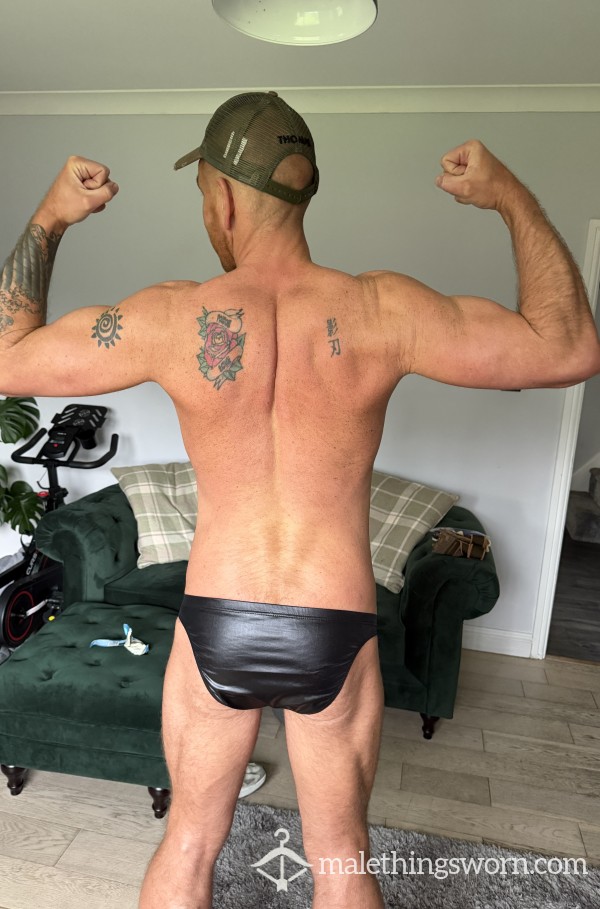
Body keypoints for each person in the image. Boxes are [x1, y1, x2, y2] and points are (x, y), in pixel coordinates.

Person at [0, 90, 598, 909]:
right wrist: (510, 197)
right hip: (334, 618)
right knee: (342, 856)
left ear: (220, 195)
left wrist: (52, 215)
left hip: (219, 614)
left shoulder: (173, 315)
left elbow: (8, 357)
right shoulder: (382, 308)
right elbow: (567, 344)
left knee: (189, 842)